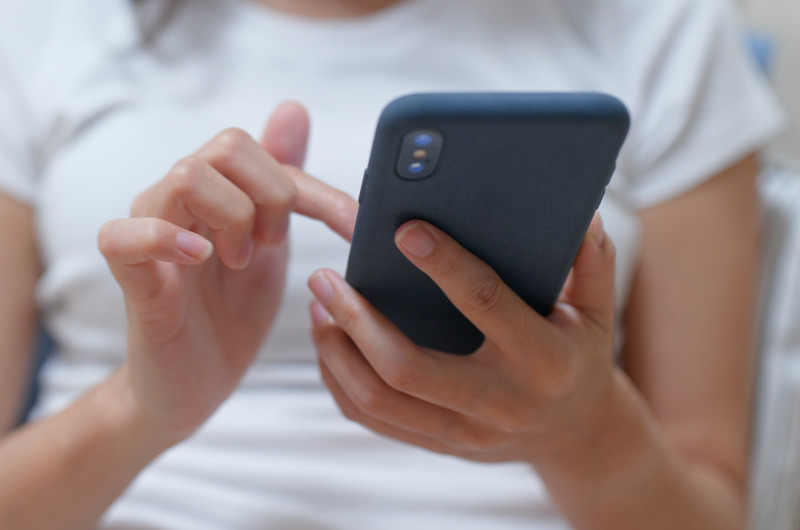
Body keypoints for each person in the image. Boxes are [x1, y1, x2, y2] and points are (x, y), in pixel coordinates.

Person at [0, 0, 783, 528]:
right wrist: (139, 409)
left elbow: (709, 504)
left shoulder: (658, 23)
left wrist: (583, 433)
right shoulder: (43, 24)